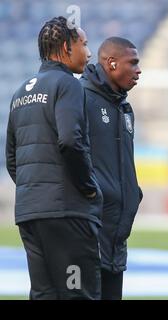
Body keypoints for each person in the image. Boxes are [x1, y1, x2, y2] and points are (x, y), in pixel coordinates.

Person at [5, 16, 102, 299]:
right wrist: (87, 187)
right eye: (84, 44)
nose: (89, 52)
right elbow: (71, 141)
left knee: (44, 294)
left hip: (29, 212)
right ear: (65, 48)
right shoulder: (67, 84)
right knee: (77, 293)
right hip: (66, 212)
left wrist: (35, 188)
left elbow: (12, 158)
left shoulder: (20, 92)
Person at [80, 37, 143, 300]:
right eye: (134, 63)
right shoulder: (79, 97)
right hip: (90, 232)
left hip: (116, 234)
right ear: (112, 63)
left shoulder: (124, 107)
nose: (139, 70)